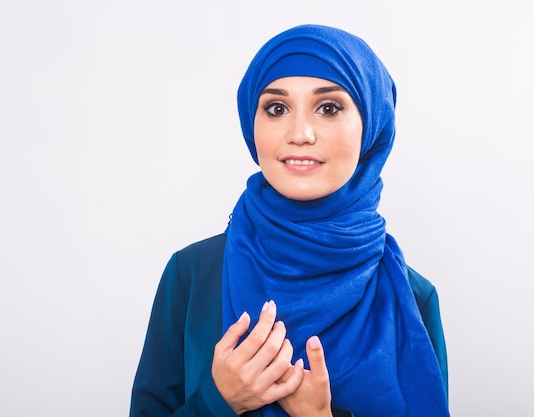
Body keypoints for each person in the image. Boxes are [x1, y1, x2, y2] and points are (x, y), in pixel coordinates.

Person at [130, 24, 450, 417]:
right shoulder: (193, 274)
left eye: (329, 108)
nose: (300, 133)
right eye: (277, 109)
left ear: (371, 126)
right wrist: (219, 400)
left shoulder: (411, 297)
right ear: (253, 124)